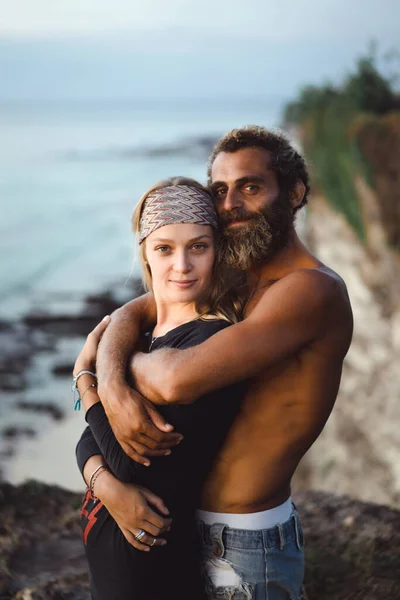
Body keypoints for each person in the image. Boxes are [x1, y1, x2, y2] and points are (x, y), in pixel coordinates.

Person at [89, 126, 354, 599]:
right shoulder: (234, 278)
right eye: (220, 190)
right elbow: (137, 309)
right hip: (187, 526)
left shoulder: (312, 290)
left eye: (250, 187)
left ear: (294, 193)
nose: (230, 204)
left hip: (248, 541)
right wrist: (108, 381)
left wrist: (104, 374)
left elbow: (174, 380)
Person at [74, 177, 247, 600]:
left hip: (151, 572)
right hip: (112, 567)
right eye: (165, 248)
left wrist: (86, 376)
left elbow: (132, 464)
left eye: (198, 246)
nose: (182, 265)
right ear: (146, 255)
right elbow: (86, 443)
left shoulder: (210, 343)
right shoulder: (144, 337)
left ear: (216, 251)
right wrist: (106, 487)